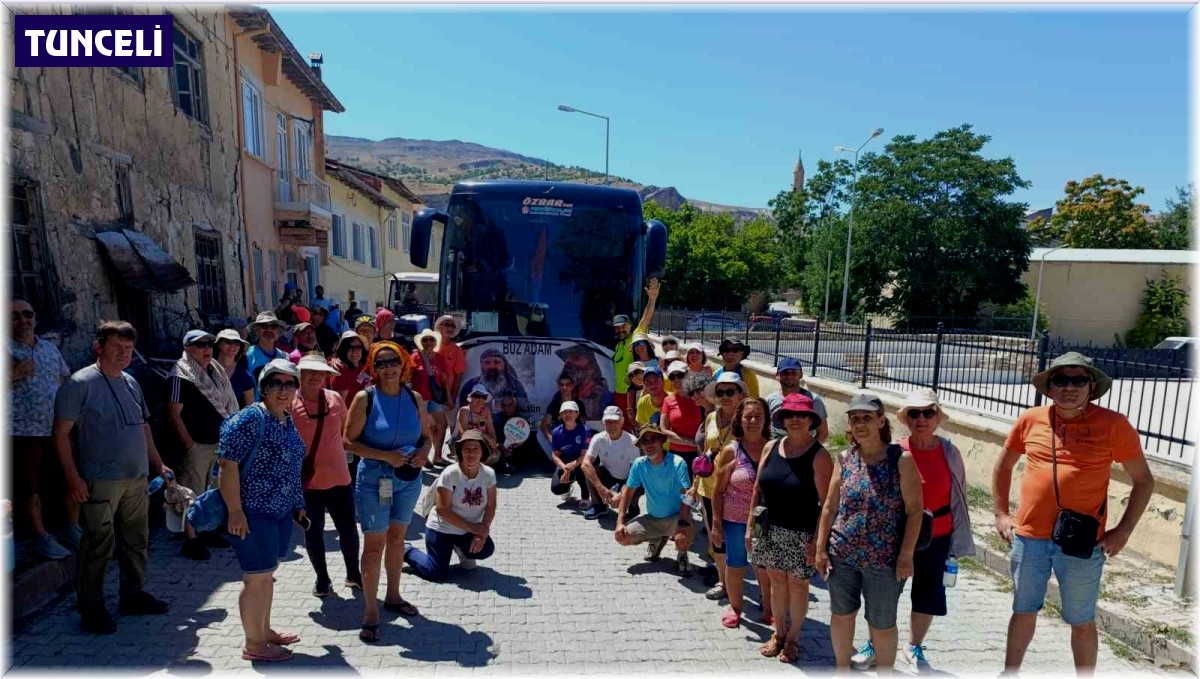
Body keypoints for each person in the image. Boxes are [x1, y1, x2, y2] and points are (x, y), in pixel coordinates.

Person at [993, 352, 1153, 675]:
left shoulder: (1113, 425)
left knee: (1081, 620)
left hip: (1081, 542)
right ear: (1049, 387)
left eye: (1078, 379)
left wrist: (1123, 531)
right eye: (1060, 380)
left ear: (1091, 386)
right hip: (1029, 537)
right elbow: (1004, 465)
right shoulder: (1030, 419)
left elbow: (1144, 481)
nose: (1069, 387)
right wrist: (1000, 513)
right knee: (1023, 610)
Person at [53, 321, 171, 634]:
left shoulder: (131, 382)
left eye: (129, 349)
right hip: (99, 481)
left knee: (136, 541)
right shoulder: (80, 383)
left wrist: (158, 464)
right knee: (97, 546)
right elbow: (61, 435)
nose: (123, 354)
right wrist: (73, 479)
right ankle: (91, 606)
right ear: (98, 347)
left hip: (136, 478)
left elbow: (144, 428)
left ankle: (132, 595)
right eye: (116, 347)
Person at [852, 388, 976, 672]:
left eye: (928, 413)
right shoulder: (896, 450)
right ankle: (874, 645)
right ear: (905, 418)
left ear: (937, 417)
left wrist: (957, 542)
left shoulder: (949, 451)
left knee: (928, 593)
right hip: (898, 535)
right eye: (914, 413)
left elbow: (958, 497)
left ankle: (913, 647)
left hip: (937, 535)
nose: (921, 419)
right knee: (883, 593)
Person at [815, 393, 924, 674]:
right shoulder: (845, 458)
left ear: (880, 421)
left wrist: (906, 555)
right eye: (854, 419)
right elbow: (829, 506)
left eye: (866, 418)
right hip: (843, 555)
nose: (860, 424)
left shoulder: (901, 459)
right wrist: (820, 549)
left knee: (882, 622)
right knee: (841, 615)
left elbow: (914, 511)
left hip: (885, 560)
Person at [217, 359, 306, 662]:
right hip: (252, 513)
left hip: (278, 511)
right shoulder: (250, 419)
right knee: (255, 578)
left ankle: (263, 630)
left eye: (290, 383)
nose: (283, 390)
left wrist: (297, 505)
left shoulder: (284, 417)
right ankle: (254, 645)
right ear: (264, 386)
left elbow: (291, 466)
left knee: (266, 575)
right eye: (276, 383)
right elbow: (227, 466)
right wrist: (234, 511)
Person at [345, 342, 432, 643]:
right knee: (373, 545)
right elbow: (348, 442)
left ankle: (393, 596)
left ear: (404, 363)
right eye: (380, 363)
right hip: (374, 479)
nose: (388, 367)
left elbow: (427, 436)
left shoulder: (414, 397)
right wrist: (386, 456)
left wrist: (424, 452)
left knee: (397, 539)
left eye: (393, 361)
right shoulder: (364, 398)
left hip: (409, 479)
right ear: (373, 367)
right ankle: (371, 612)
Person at [749, 393, 833, 663]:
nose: (795, 420)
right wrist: (751, 526)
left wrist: (817, 543)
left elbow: (827, 504)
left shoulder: (819, 456)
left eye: (801, 415)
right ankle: (778, 633)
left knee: (798, 585)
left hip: (802, 533)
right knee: (775, 582)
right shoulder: (771, 447)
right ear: (782, 420)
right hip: (769, 528)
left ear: (811, 420)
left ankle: (794, 637)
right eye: (789, 415)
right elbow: (758, 489)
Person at [291, 354, 362, 597]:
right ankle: (322, 579)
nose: (313, 377)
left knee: (348, 530)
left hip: (340, 478)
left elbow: (345, 430)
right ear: (299, 374)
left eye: (319, 373)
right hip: (307, 484)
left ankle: (354, 574)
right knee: (313, 531)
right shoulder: (289, 403)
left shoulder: (334, 399)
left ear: (326, 377)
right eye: (308, 372)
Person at [166, 329, 240, 561]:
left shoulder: (215, 371)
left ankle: (207, 531)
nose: (207, 349)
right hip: (197, 445)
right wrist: (190, 445)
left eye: (209, 344)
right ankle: (191, 539)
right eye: (200, 345)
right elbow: (173, 413)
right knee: (192, 493)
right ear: (188, 349)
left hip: (218, 442)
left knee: (214, 491)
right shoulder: (181, 375)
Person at [9, 298, 74, 559]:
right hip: (21, 432)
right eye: (14, 316)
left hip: (56, 429)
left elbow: (64, 381)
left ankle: (69, 528)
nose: (23, 321)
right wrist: (12, 374)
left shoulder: (48, 347)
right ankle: (40, 537)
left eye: (27, 314)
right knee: (30, 489)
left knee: (65, 480)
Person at [404, 430, 498, 581]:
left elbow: (491, 506)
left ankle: (460, 549)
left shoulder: (488, 474)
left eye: (476, 449)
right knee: (435, 573)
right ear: (460, 451)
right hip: (442, 528)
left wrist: (482, 532)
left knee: (486, 549)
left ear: (483, 452)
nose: (471, 453)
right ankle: (406, 550)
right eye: (466, 449)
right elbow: (442, 510)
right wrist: (474, 529)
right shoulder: (451, 473)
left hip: (467, 530)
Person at [711, 398, 770, 629]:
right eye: (748, 416)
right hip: (735, 519)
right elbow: (717, 491)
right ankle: (735, 608)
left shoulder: (774, 448)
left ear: (766, 419)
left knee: (763, 566)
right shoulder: (731, 451)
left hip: (762, 518)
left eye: (758, 416)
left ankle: (769, 610)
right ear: (739, 419)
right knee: (736, 564)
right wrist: (716, 524)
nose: (753, 421)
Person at [613, 424, 694, 573]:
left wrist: (683, 522)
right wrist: (620, 523)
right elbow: (627, 492)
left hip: (676, 518)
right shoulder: (639, 464)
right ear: (641, 446)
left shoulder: (677, 462)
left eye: (653, 439)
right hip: (652, 518)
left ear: (662, 440)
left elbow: (687, 495)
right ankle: (656, 539)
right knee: (622, 537)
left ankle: (682, 554)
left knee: (681, 539)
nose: (649, 444)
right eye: (645, 441)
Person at [695, 372, 747, 600]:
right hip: (708, 485)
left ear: (740, 394)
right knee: (715, 536)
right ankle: (722, 582)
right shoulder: (711, 417)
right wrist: (696, 482)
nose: (725, 396)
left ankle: (737, 583)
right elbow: (706, 449)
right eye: (720, 392)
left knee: (736, 537)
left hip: (736, 489)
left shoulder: (747, 420)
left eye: (730, 391)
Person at [581, 406, 642, 520]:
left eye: (615, 422)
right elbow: (585, 463)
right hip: (610, 475)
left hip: (628, 478)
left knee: (639, 481)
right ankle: (598, 505)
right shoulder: (598, 438)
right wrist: (601, 489)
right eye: (608, 422)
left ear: (622, 422)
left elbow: (635, 473)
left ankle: (632, 505)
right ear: (603, 423)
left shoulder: (632, 441)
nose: (611, 425)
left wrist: (621, 494)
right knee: (589, 469)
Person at [611, 278, 660, 418]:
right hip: (618, 393)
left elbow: (646, 318)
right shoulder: (618, 345)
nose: (620, 330)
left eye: (623, 326)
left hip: (633, 392)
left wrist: (652, 299)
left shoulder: (636, 335)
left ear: (630, 325)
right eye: (617, 328)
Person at [410, 329, 452, 467]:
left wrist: (449, 398)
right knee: (424, 427)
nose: (428, 342)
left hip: (435, 397)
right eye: (425, 340)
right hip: (420, 398)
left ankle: (438, 456)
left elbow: (445, 380)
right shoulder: (415, 356)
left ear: (435, 342)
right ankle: (424, 456)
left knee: (441, 424)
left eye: (431, 340)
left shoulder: (439, 358)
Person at [766, 357, 829, 443]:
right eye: (785, 373)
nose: (789, 376)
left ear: (801, 375)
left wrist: (809, 452)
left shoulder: (813, 400)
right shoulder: (770, 400)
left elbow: (822, 433)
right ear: (777, 375)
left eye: (794, 372)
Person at [660, 361, 704, 474]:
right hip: (676, 454)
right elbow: (664, 431)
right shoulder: (668, 401)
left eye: (680, 375)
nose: (676, 380)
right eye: (672, 376)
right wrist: (691, 443)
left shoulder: (700, 397)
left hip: (700, 454)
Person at [548, 401, 593, 506]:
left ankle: (585, 496)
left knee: (583, 470)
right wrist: (565, 469)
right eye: (564, 412)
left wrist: (572, 466)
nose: (567, 415)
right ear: (560, 415)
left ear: (577, 414)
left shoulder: (585, 430)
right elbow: (555, 455)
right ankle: (567, 487)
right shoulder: (556, 432)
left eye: (570, 411)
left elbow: (584, 455)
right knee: (556, 488)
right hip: (565, 464)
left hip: (579, 462)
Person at [434, 315, 466, 459]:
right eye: (446, 324)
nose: (449, 328)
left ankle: (454, 452)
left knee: (453, 426)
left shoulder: (457, 350)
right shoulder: (431, 345)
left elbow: (458, 376)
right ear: (439, 327)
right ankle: (437, 453)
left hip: (449, 394)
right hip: (433, 394)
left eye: (452, 326)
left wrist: (452, 397)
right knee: (434, 426)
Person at [457, 349, 529, 411]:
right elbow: (463, 411)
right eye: (487, 362)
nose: (492, 366)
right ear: (481, 364)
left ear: (504, 365)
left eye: (497, 362)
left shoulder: (515, 385)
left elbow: (523, 409)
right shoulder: (470, 385)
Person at [245, 312, 289, 398]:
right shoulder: (247, 356)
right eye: (264, 326)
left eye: (273, 326)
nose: (269, 330)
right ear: (257, 330)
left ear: (277, 331)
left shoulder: (284, 357)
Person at [541, 372, 590, 445]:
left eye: (567, 384)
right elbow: (544, 425)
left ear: (572, 386)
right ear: (558, 386)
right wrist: (551, 439)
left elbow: (583, 424)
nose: (564, 387)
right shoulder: (554, 404)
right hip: (560, 439)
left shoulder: (579, 404)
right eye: (562, 385)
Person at [215, 329, 255, 408]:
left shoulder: (245, 376)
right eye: (228, 342)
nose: (233, 346)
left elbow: (250, 407)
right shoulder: (206, 368)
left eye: (236, 343)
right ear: (219, 344)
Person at [457, 384, 499, 455]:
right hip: (468, 443)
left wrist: (493, 443)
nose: (480, 399)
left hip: (484, 443)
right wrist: (486, 436)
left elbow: (491, 431)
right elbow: (464, 433)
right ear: (471, 398)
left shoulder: (487, 410)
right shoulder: (464, 410)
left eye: (483, 397)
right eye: (477, 396)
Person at [635, 366, 667, 430]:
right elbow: (643, 427)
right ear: (644, 385)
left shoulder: (673, 400)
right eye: (648, 381)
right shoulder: (642, 402)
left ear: (663, 381)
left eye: (655, 380)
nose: (652, 384)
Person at [624, 362, 645, 431]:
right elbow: (631, 412)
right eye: (631, 376)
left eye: (636, 372)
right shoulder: (632, 392)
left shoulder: (655, 386)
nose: (634, 377)